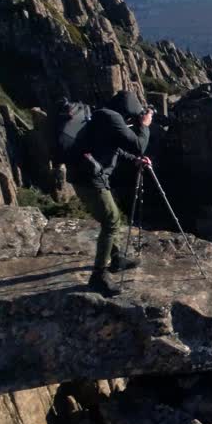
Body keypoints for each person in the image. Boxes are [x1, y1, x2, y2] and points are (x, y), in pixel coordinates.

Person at [70, 90, 154, 297]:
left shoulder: (103, 115)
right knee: (112, 220)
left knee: (109, 218)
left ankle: (116, 258)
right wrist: (144, 125)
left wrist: (134, 160)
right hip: (90, 180)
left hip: (89, 176)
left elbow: (115, 147)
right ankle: (99, 276)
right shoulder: (112, 118)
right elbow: (138, 144)